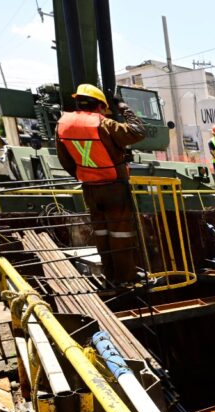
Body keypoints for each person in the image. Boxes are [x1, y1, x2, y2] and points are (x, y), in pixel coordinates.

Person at [56, 83, 146, 285]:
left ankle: (110, 275)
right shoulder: (104, 124)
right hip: (114, 186)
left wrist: (84, 174)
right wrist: (123, 106)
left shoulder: (62, 124)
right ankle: (125, 278)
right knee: (121, 232)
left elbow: (65, 160)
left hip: (90, 188)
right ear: (99, 105)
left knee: (101, 232)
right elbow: (138, 131)